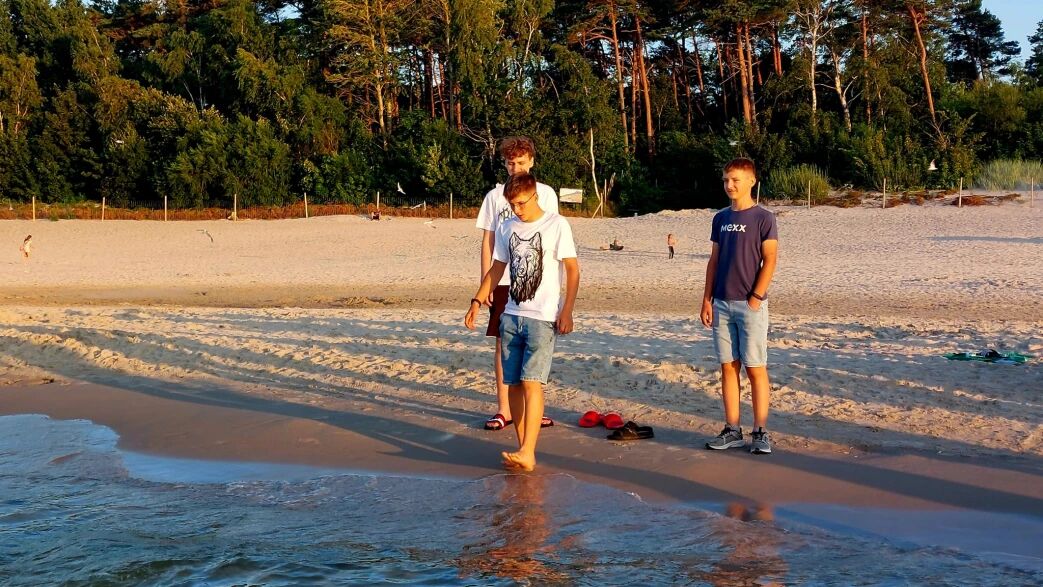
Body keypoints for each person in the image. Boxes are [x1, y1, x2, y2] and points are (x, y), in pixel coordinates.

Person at [465, 172, 579, 471]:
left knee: (532, 382)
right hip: (511, 315)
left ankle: (528, 451)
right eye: (512, 204)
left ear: (534, 196)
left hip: (543, 318)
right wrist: (477, 300)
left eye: (521, 203)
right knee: (513, 383)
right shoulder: (507, 226)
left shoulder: (556, 224)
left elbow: (573, 270)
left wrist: (567, 310)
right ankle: (522, 449)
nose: (517, 209)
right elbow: (497, 268)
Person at [475, 136, 559, 432]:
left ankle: (534, 410)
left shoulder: (545, 193)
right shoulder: (494, 196)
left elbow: (551, 238)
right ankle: (505, 410)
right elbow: (488, 241)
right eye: (511, 163)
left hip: (535, 280)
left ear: (531, 161)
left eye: (521, 162)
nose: (516, 168)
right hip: (502, 280)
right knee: (504, 344)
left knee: (536, 345)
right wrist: (485, 283)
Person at [700, 157, 779, 454]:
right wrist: (707, 299)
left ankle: (760, 431)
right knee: (728, 367)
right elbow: (714, 261)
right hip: (721, 303)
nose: (729, 185)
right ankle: (732, 429)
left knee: (755, 367)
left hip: (750, 305)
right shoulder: (720, 218)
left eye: (735, 180)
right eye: (725, 180)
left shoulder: (764, 218)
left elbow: (770, 259)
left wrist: (756, 297)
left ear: (751, 181)